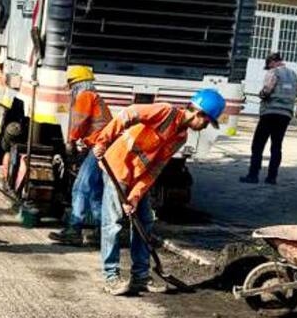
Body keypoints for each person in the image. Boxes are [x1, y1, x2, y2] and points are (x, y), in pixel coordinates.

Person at [92, 90, 225, 295]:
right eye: (207, 122)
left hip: (138, 177)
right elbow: (128, 113)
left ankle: (140, 277)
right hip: (117, 167)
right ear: (199, 114)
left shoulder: (180, 137)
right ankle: (111, 277)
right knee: (114, 223)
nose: (205, 127)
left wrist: (135, 196)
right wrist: (103, 140)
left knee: (144, 221)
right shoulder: (165, 112)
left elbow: (155, 169)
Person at [50, 65, 112, 247]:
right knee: (95, 192)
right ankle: (102, 233)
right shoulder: (94, 97)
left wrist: (71, 141)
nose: (70, 89)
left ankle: (74, 230)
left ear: (77, 83)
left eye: (71, 84)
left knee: (81, 187)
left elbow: (79, 121)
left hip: (99, 147)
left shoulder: (84, 96)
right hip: (104, 147)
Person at [239, 52, 297, 185]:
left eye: (268, 65)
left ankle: (253, 175)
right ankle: (271, 178)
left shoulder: (273, 72)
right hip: (285, 115)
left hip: (270, 113)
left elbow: (267, 90)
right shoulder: (294, 75)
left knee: (258, 145)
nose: (268, 67)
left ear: (272, 62)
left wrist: (262, 94)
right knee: (276, 146)